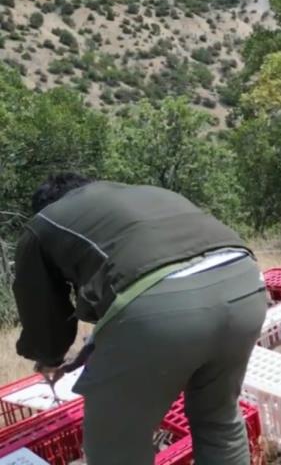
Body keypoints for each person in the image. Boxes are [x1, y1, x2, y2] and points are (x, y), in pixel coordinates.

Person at [13, 173, 267, 465]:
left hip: (163, 309)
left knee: (115, 445)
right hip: (245, 286)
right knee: (218, 418)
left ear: (45, 206)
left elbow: (43, 314)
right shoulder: (141, 194)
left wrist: (49, 356)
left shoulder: (44, 223)